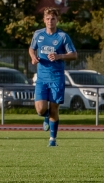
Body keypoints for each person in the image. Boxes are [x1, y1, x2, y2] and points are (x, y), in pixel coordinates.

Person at [29, 8, 77, 147]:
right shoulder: (38, 34)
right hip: (42, 78)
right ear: (44, 20)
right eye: (48, 19)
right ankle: (45, 117)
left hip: (56, 78)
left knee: (54, 109)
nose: (50, 21)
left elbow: (74, 54)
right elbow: (32, 48)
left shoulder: (63, 36)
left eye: (53, 19)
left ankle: (52, 140)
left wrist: (59, 56)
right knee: (40, 109)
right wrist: (33, 57)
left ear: (57, 20)